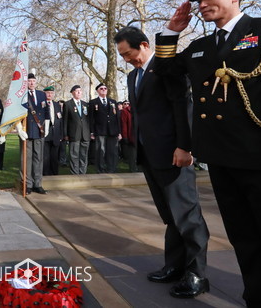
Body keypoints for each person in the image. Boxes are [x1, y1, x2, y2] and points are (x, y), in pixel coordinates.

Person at [155, 0, 261, 307]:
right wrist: (171, 32)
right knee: (244, 239)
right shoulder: (200, 47)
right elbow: (165, 72)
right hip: (221, 157)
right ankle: (258, 300)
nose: (202, 4)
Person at [115, 26, 210, 298]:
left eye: (128, 53)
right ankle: (175, 266)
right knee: (170, 215)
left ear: (145, 45)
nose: (127, 60)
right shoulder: (133, 76)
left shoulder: (166, 68)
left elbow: (183, 106)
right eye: (122, 56)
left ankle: (197, 274)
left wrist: (185, 146)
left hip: (173, 153)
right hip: (150, 154)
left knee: (187, 216)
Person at [17, 73, 48, 194]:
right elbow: (17, 113)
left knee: (38, 158)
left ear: (36, 82)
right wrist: (19, 128)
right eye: (29, 81)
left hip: (39, 130)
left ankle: (37, 184)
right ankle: (27, 184)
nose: (31, 83)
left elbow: (46, 111)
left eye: (33, 81)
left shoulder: (42, 94)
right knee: (26, 159)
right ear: (26, 83)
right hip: (27, 130)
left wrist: (46, 126)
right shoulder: (21, 95)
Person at [88, 83, 121, 173]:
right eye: (101, 88)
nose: (103, 90)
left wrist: (119, 132)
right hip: (100, 131)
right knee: (100, 151)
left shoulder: (113, 102)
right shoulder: (93, 102)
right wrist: (92, 132)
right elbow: (91, 118)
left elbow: (117, 118)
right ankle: (100, 170)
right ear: (97, 91)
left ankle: (111, 169)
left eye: (105, 88)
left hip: (112, 131)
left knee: (112, 151)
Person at [63, 85, 91, 175]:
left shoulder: (85, 104)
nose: (79, 92)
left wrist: (90, 132)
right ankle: (75, 174)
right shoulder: (68, 104)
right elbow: (65, 120)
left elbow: (88, 119)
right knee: (74, 155)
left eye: (80, 90)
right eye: (76, 91)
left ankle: (83, 173)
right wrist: (65, 134)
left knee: (84, 155)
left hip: (85, 134)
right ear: (72, 93)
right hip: (74, 134)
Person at [42, 86, 64, 176]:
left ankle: (54, 174)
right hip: (45, 134)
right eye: (48, 93)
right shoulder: (42, 104)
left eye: (51, 93)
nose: (50, 95)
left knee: (55, 157)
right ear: (44, 94)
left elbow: (60, 120)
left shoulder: (57, 105)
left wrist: (61, 135)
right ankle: (45, 174)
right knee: (45, 156)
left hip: (56, 135)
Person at [119, 101, 138, 172]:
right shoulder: (125, 111)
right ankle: (133, 168)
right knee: (132, 154)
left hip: (139, 135)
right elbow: (124, 124)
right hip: (131, 136)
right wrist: (125, 136)